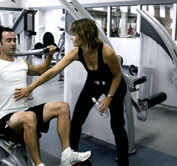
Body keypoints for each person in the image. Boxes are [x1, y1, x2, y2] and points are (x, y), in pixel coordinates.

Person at [0, 27, 91, 166]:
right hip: (7, 118)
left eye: (15, 40)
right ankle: (38, 164)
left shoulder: (22, 62)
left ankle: (67, 156)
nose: (13, 44)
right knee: (29, 117)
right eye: (9, 40)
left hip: (25, 112)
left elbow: (40, 70)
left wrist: (50, 56)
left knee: (62, 107)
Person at [14, 18, 129, 166]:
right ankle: (70, 158)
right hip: (93, 83)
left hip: (115, 85)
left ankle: (123, 160)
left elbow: (117, 75)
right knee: (76, 122)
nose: (71, 37)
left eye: (74, 34)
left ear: (85, 34)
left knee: (117, 125)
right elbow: (53, 71)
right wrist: (30, 87)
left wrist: (109, 98)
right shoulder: (76, 52)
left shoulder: (106, 51)